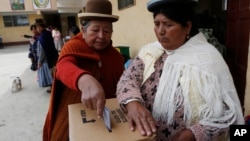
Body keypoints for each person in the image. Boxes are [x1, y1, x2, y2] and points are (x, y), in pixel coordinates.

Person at [116, 0, 245, 140]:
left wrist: (194, 134)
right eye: (157, 24)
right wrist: (132, 102)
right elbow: (128, 78)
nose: (160, 31)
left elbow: (228, 113)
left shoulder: (208, 59)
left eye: (168, 25)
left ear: (187, 27)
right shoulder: (150, 52)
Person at [42, 0, 124, 140]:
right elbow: (63, 66)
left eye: (106, 31)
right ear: (83, 30)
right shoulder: (72, 47)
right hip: (75, 123)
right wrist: (83, 78)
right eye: (95, 30)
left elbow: (123, 85)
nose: (101, 36)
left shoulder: (116, 57)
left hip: (107, 122)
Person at [35, 19, 59, 92]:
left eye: (39, 27)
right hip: (52, 57)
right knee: (52, 73)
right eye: (37, 27)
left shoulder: (43, 37)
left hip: (46, 60)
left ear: (43, 27)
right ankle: (53, 88)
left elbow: (42, 51)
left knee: (50, 74)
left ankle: (53, 88)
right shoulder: (47, 34)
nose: (38, 29)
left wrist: (39, 61)